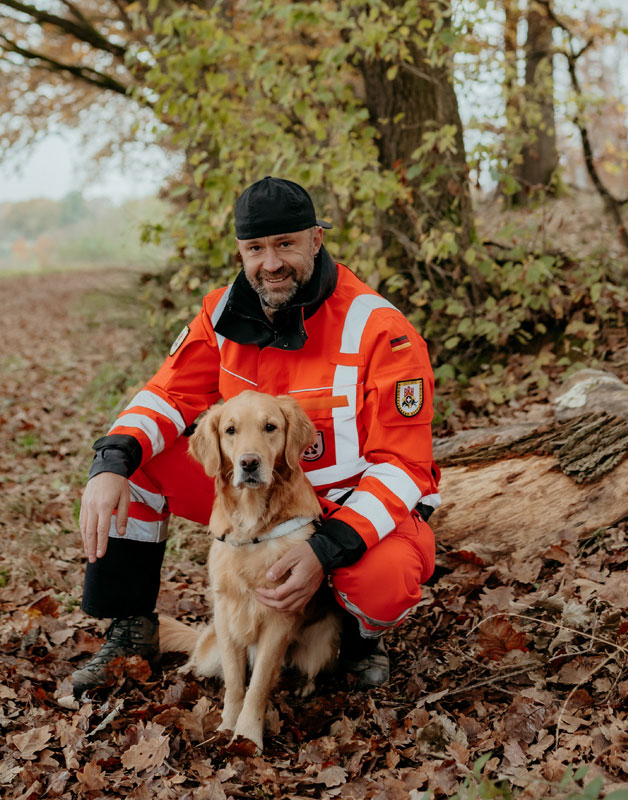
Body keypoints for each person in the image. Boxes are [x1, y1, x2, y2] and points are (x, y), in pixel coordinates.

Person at [74, 176, 440, 697]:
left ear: (316, 240)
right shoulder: (221, 313)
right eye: (256, 249)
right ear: (241, 252)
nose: (271, 263)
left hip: (341, 509)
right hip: (251, 493)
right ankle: (131, 629)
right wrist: (110, 461)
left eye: (286, 244)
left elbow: (405, 466)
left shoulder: (381, 328)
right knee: (135, 462)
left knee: (384, 581)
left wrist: (325, 550)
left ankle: (357, 639)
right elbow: (169, 396)